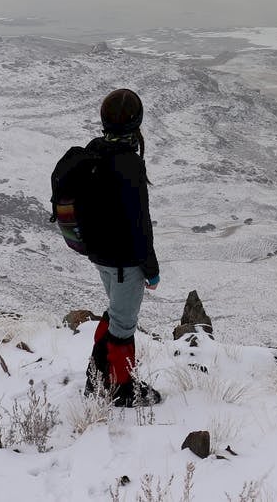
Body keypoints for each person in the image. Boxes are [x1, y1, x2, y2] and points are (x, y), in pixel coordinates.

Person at [82, 87, 163, 407]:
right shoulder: (128, 163)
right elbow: (139, 225)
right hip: (123, 261)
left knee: (117, 313)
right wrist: (151, 270)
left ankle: (96, 377)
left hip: (100, 255)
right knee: (124, 325)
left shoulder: (95, 150)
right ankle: (122, 389)